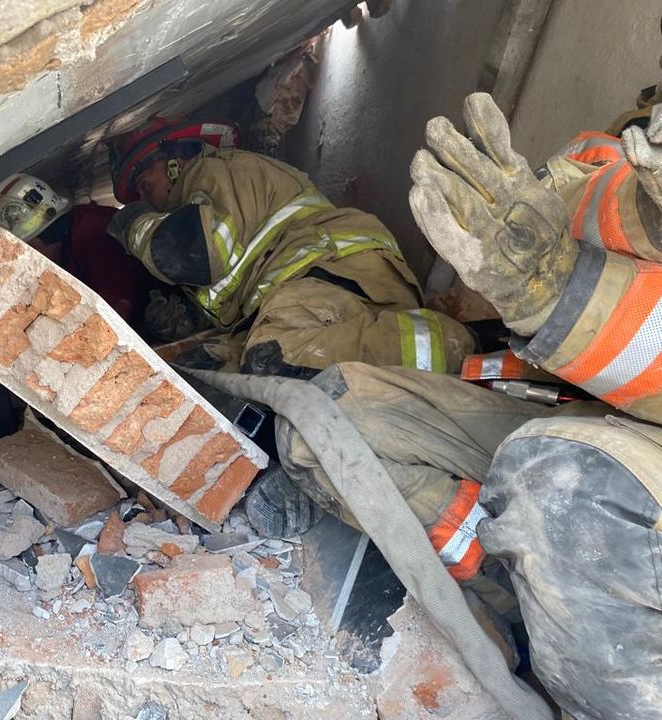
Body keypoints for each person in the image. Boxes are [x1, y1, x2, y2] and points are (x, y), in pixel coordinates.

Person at [273, 92, 662, 720]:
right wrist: (642, 218)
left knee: (564, 485)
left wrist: (567, 298)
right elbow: (568, 196)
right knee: (331, 418)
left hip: (599, 457)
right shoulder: (617, 152)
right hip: (599, 416)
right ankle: (512, 597)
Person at [105, 117, 476, 377]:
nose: (147, 200)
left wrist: (131, 222)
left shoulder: (210, 170)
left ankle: (454, 345)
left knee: (273, 357)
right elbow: (233, 273)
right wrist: (190, 318)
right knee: (204, 370)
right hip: (312, 292)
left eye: (145, 185)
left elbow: (194, 254)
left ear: (174, 163)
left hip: (336, 268)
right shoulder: (204, 199)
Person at [0, 173, 163, 334]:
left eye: (26, 251)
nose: (24, 261)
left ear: (46, 236)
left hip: (156, 315)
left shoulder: (96, 235)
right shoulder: (67, 240)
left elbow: (115, 320)